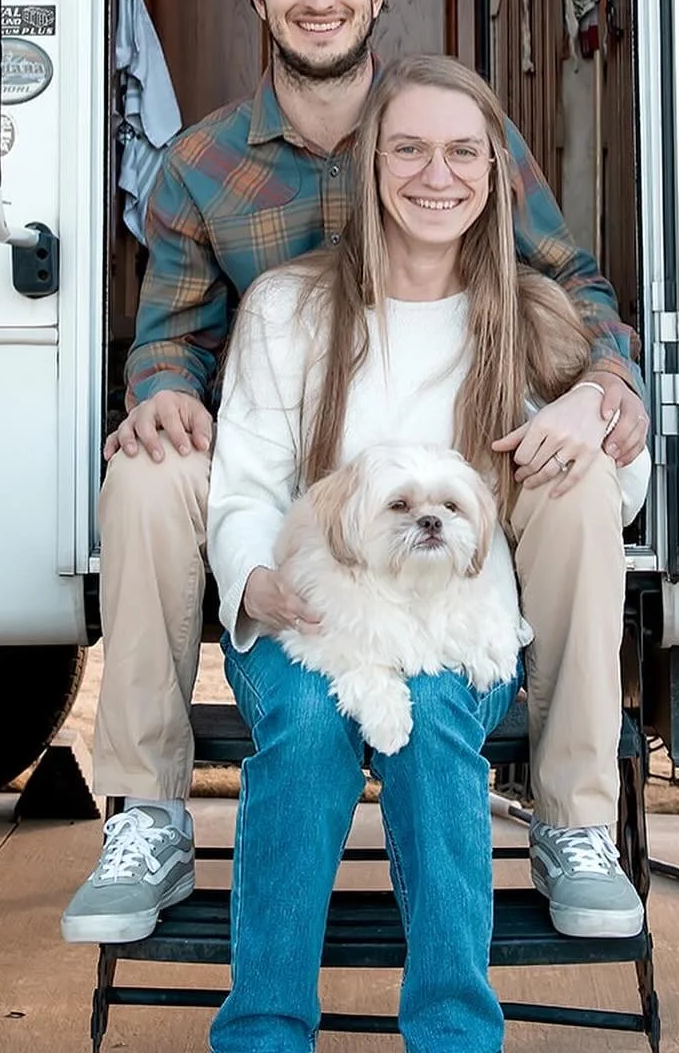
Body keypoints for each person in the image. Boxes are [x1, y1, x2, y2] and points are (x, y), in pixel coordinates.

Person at [60, 0, 649, 945]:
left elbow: (570, 283)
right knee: (145, 478)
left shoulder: (449, 132)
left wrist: (610, 387)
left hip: (450, 467)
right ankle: (146, 810)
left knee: (579, 488)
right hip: (275, 466)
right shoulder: (203, 166)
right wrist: (157, 400)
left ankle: (573, 821)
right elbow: (170, 339)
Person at [206, 53, 647, 1052]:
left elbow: (619, 490)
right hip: (313, 614)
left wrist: (594, 402)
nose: (434, 175)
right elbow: (242, 484)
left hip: (455, 618)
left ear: (494, 175)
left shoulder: (529, 315)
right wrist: (257, 582)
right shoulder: (287, 306)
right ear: (369, 166)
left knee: (438, 719)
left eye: (461, 153)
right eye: (407, 149)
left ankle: (453, 1029)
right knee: (314, 727)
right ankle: (264, 1028)